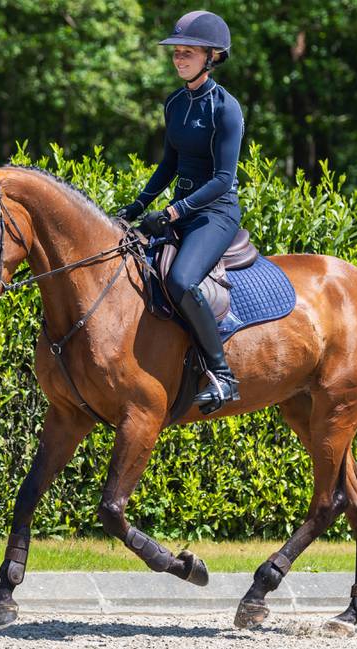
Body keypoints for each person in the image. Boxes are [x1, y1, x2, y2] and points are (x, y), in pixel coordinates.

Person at [116, 10, 245, 415]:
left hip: (216, 213)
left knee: (181, 279)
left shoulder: (226, 109)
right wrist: (136, 207)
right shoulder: (174, 103)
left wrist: (173, 212)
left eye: (187, 53)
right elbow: (168, 165)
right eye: (175, 53)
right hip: (183, 209)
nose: (178, 59)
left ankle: (223, 375)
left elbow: (224, 179)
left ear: (212, 57)